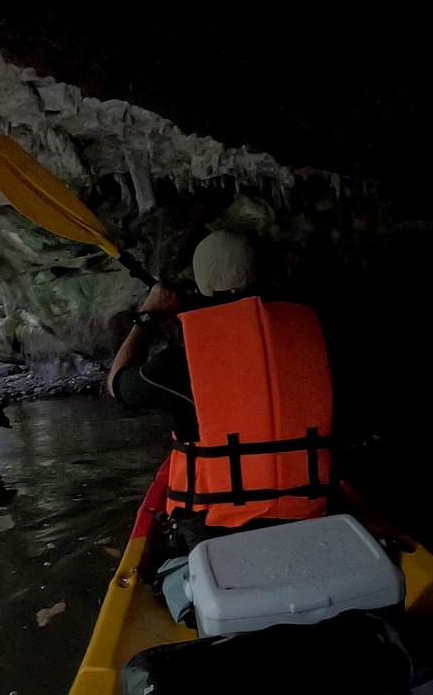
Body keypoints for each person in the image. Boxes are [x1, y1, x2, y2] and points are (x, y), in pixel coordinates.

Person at [108, 230, 333, 540]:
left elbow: (117, 382)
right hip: (313, 515)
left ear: (201, 288)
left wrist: (149, 317)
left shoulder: (178, 364)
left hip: (214, 530)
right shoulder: (315, 341)